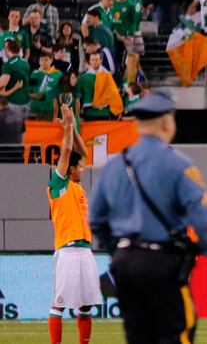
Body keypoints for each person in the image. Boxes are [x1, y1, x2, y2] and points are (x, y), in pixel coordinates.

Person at [90, 89, 207, 344]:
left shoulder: (114, 166)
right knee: (177, 333)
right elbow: (202, 216)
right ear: (166, 122)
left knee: (138, 337)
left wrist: (119, 251)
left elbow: (96, 220)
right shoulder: (177, 165)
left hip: (124, 264)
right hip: (161, 263)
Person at [47, 104, 100, 344]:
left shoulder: (77, 186)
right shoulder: (58, 185)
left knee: (86, 304)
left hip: (85, 249)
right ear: (69, 170)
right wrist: (68, 127)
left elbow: (81, 153)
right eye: (79, 167)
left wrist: (74, 128)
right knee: (58, 304)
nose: (83, 168)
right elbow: (67, 150)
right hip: (67, 250)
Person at [0, 39, 31, 118]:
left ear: (7, 50)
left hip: (13, 102)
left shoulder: (8, 64)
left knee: (11, 128)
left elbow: (3, 84)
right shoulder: (25, 63)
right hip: (26, 101)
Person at [29, 52, 62, 120]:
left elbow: (59, 94)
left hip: (49, 109)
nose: (44, 62)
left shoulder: (58, 74)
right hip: (34, 108)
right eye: (42, 60)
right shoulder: (34, 74)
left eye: (46, 60)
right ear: (39, 61)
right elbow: (30, 90)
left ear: (51, 60)